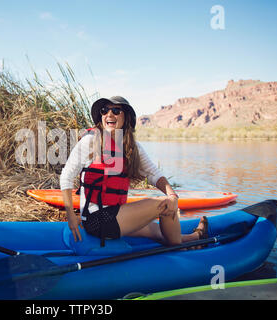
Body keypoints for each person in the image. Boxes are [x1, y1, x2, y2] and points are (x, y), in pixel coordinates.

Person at [60, 96, 208, 248]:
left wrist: (173, 194)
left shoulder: (132, 147)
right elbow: (66, 176)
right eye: (105, 111)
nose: (109, 114)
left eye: (116, 111)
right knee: (165, 205)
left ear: (126, 118)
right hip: (99, 220)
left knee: (156, 230)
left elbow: (153, 174)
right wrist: (71, 214)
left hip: (116, 213)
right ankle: (180, 246)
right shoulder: (90, 141)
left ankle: (195, 237)